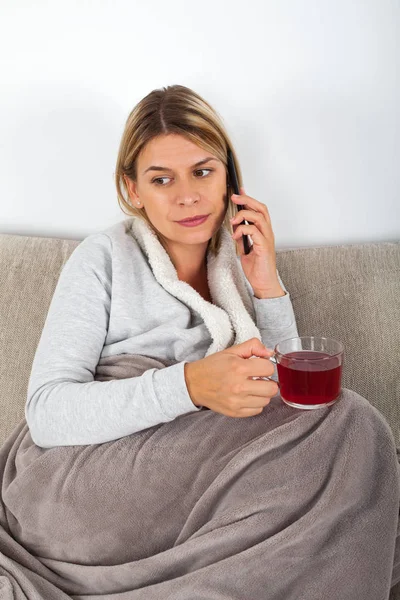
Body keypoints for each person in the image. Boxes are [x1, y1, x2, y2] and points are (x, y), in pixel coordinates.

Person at [0, 84, 399, 600]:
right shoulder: (102, 259)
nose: (187, 196)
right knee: (353, 425)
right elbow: (48, 413)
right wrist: (189, 385)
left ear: (228, 174)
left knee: (351, 456)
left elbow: (287, 403)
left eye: (203, 172)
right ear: (133, 190)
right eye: (161, 179)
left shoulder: (233, 263)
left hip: (185, 471)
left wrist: (267, 285)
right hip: (78, 476)